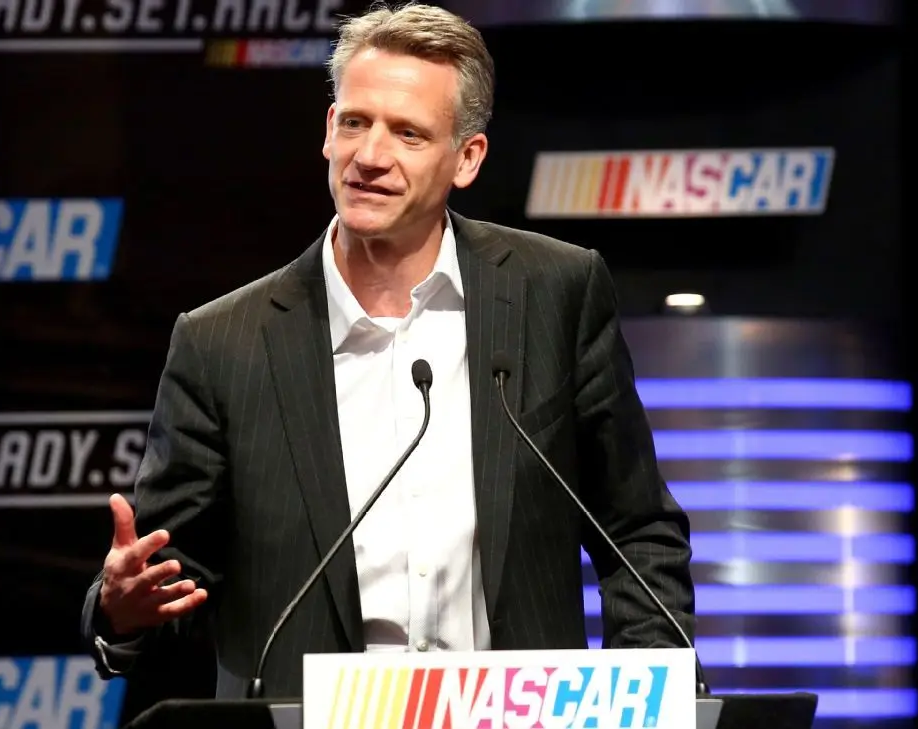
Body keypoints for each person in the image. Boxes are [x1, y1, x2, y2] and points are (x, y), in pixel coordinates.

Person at [81, 0, 695, 699]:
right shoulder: (223, 341)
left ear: (467, 158)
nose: (370, 156)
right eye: (355, 122)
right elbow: (167, 578)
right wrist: (122, 611)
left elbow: (637, 530)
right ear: (327, 131)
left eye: (408, 133)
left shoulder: (555, 293)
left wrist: (650, 695)